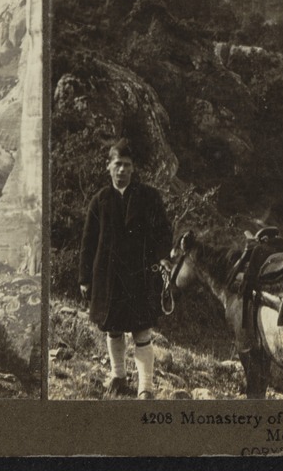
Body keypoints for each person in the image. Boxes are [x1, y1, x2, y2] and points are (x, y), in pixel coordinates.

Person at [79, 139, 173, 399]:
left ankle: (146, 388)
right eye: (117, 164)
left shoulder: (149, 197)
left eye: (127, 165)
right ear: (108, 167)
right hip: (107, 278)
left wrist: (164, 257)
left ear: (133, 169)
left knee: (142, 331)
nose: (122, 170)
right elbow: (88, 242)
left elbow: (164, 231)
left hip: (140, 276)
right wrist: (84, 279)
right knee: (113, 328)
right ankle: (118, 376)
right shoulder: (99, 201)